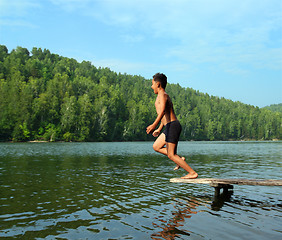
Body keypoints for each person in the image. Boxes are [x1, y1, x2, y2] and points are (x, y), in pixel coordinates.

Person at [146, 73, 198, 179]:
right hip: (168, 126)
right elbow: (164, 115)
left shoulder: (163, 95)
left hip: (173, 126)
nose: (151, 87)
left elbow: (163, 111)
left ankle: (192, 173)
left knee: (171, 154)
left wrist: (154, 125)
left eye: (152, 84)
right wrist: (159, 129)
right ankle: (179, 158)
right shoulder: (160, 96)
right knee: (156, 146)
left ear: (158, 84)